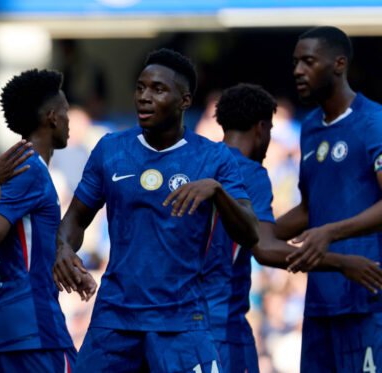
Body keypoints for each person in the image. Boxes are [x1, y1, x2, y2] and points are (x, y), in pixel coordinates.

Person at [53, 48, 259, 372]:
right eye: (140, 87)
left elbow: (250, 232)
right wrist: (63, 248)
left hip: (182, 322)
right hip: (115, 319)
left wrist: (217, 192)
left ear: (185, 101)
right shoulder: (111, 149)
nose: (144, 97)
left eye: (158, 89)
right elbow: (74, 220)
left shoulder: (214, 158)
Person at [208, 83, 382, 373]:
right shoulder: (250, 173)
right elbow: (264, 247)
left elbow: (268, 231)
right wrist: (342, 262)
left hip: (179, 326)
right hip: (223, 329)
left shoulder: (196, 165)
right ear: (261, 128)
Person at [0, 69, 96, 372]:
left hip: (6, 331)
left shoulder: (22, 165)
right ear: (51, 117)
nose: (69, 121)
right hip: (35, 331)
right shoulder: (29, 169)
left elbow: (23, 243)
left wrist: (63, 264)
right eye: (66, 112)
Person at [274, 26, 382, 371]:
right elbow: (310, 209)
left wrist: (330, 233)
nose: (297, 71)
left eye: (307, 61)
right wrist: (252, 233)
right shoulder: (310, 128)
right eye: (294, 63)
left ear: (339, 64)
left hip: (367, 299)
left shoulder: (374, 122)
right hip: (320, 301)